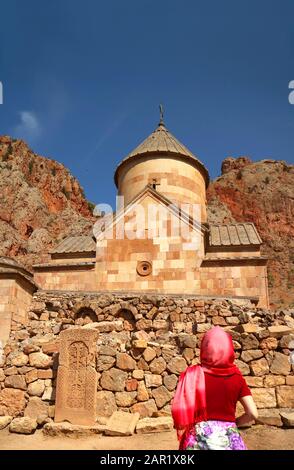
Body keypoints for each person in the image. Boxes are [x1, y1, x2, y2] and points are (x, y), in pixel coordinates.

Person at [171, 326, 258, 450]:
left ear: (204, 348)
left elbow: (178, 409)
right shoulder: (237, 378)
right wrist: (233, 423)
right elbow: (253, 413)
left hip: (197, 440)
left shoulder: (192, 375)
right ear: (229, 348)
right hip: (228, 440)